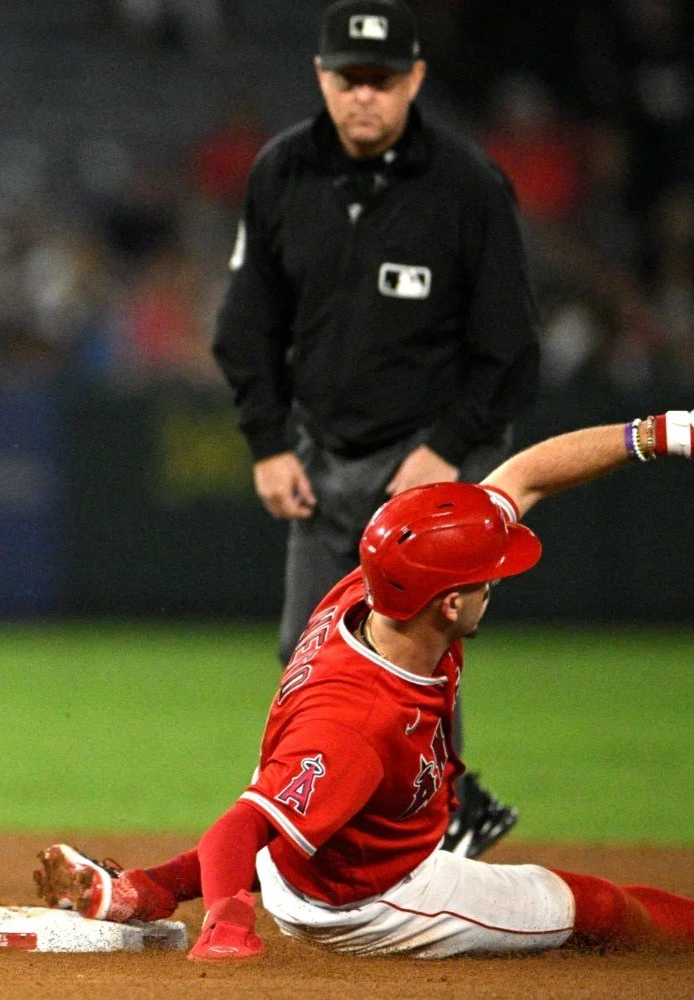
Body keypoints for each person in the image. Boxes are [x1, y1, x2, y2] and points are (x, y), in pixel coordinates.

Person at [36, 405, 694, 961]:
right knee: (601, 907)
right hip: (366, 897)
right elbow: (238, 830)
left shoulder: (376, 588)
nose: (496, 582)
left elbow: (525, 477)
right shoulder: (360, 721)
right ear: (450, 604)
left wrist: (664, 433)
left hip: (319, 817)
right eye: (486, 578)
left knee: (306, 796)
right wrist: (227, 923)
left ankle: (144, 891)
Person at [210, 0, 540, 857]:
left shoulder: (468, 185)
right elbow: (244, 327)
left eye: (383, 79)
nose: (365, 94)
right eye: (349, 77)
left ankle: (441, 817)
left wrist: (447, 450)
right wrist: (267, 442)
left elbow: (510, 350)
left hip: (435, 449)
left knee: (414, 649)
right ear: (322, 76)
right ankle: (354, 818)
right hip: (322, 448)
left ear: (415, 79)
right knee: (308, 647)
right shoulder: (282, 171)